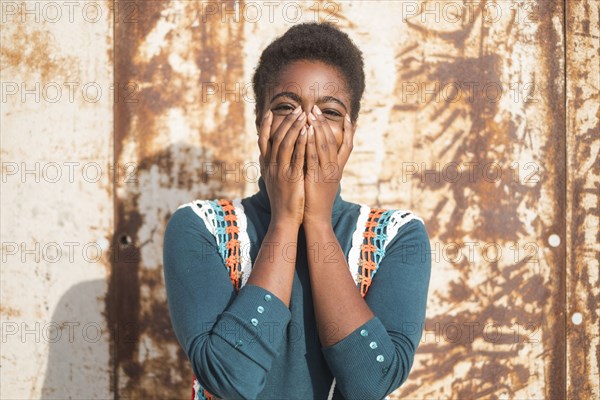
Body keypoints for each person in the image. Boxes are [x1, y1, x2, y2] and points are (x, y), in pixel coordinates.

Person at [163, 21, 432, 400]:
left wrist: (318, 223)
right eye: (287, 108)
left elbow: (371, 383)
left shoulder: (397, 236)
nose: (307, 125)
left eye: (331, 112)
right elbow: (228, 379)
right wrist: (286, 220)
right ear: (261, 125)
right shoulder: (201, 227)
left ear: (350, 133)